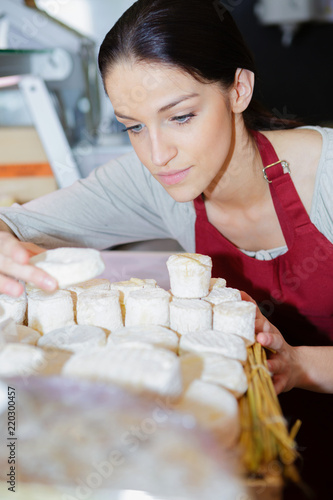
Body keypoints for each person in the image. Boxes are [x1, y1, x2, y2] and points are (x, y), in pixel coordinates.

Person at [0, 0, 332, 495]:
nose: (156, 154)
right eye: (132, 126)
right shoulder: (153, 182)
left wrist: (301, 364)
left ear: (238, 89)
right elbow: (16, 223)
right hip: (252, 455)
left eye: (179, 116)